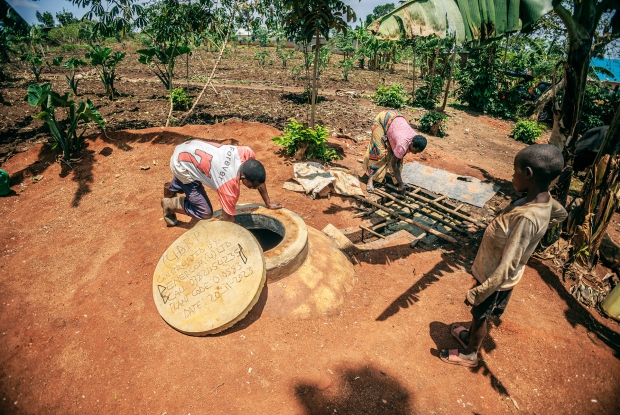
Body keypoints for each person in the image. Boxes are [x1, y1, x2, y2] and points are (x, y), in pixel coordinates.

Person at [440, 144, 567, 367]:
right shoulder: (543, 200)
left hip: (495, 279)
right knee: (479, 313)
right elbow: (561, 214)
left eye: (514, 170)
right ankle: (469, 337)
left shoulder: (527, 218)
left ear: (528, 173)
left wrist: (479, 291)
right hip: (493, 271)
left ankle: (470, 354)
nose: (511, 175)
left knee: (480, 315)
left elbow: (508, 265)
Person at [161, 140, 281, 226]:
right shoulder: (229, 186)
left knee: (198, 170)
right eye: (252, 186)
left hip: (189, 148)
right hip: (181, 165)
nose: (254, 188)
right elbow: (228, 218)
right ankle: (170, 203)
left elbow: (258, 178)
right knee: (205, 213)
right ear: (243, 177)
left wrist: (268, 202)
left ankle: (173, 187)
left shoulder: (246, 153)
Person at [361, 110, 427, 192]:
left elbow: (398, 158)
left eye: (417, 152)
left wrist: (400, 182)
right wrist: (401, 183)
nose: (414, 153)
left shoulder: (416, 138)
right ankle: (370, 180)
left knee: (398, 158)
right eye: (415, 151)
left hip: (395, 120)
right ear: (412, 143)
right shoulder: (402, 144)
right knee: (379, 154)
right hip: (382, 120)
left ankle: (397, 181)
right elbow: (394, 163)